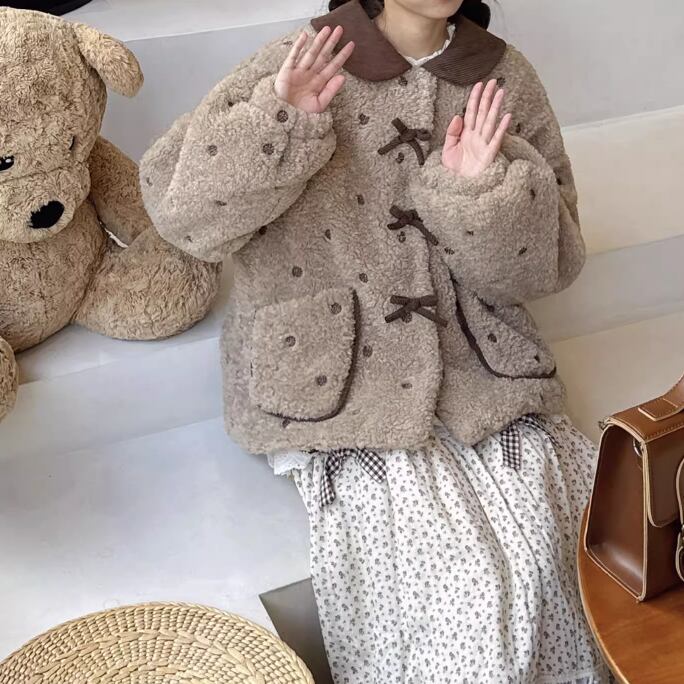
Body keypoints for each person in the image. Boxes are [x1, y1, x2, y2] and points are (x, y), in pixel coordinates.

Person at [140, 0, 610, 681]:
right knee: (466, 589)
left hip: (481, 369)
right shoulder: (307, 57)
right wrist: (280, 122)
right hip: (342, 379)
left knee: (555, 549)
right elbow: (183, 216)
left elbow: (547, 269)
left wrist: (480, 194)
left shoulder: (505, 76)